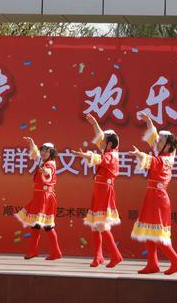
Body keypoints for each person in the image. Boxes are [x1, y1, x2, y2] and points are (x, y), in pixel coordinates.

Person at [128, 114, 177, 275]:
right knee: (149, 231)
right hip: (153, 196)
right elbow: (154, 139)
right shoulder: (164, 153)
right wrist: (149, 122)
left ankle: (176, 262)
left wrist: (140, 155)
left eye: (160, 142)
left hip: (158, 198)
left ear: (168, 146)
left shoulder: (166, 159)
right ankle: (152, 263)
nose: (157, 143)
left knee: (158, 234)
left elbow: (154, 161)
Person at [74, 114, 123, 268]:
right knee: (94, 225)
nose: (100, 142)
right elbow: (100, 137)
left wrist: (86, 155)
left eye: (103, 141)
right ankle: (98, 256)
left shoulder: (111, 155)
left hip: (105, 192)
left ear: (110, 143)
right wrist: (95, 123)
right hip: (99, 190)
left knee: (101, 225)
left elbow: (100, 159)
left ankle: (116, 255)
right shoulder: (108, 151)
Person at [15, 137, 62, 261]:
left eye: (47, 151)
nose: (43, 152)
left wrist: (45, 172)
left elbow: (49, 172)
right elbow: (36, 155)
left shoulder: (50, 164)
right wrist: (32, 143)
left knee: (45, 226)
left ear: (51, 153)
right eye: (43, 150)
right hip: (39, 196)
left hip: (45, 197)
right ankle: (40, 251)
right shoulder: (42, 161)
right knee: (38, 225)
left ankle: (46, 251)